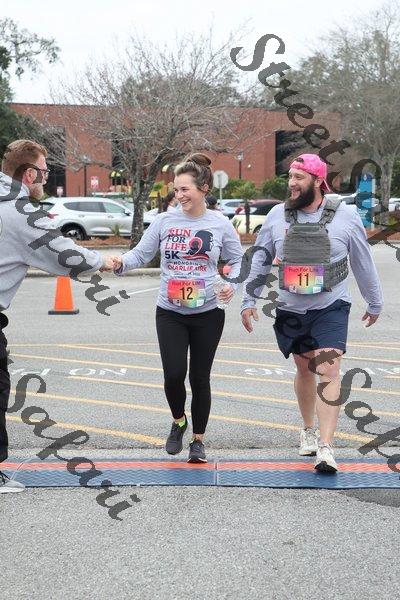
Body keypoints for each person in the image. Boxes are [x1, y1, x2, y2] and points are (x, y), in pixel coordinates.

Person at [241, 153, 383, 473]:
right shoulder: (277, 216)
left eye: (299, 178)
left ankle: (326, 447)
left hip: (331, 305)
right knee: (305, 369)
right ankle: (308, 429)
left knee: (329, 369)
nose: (291, 183)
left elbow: (362, 260)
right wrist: (248, 300)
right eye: (290, 177)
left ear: (318, 181)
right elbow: (260, 260)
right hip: (291, 307)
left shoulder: (345, 217)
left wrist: (374, 301)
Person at [110, 153, 243, 463]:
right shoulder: (164, 221)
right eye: (176, 189)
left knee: (200, 378)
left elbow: (238, 260)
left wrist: (231, 285)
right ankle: (179, 421)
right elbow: (140, 255)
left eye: (185, 189)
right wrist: (119, 263)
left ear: (203, 188)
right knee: (173, 375)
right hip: (170, 311)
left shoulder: (219, 223)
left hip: (208, 312)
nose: (179, 195)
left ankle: (198, 441)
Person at [0, 139, 112, 493]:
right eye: (44, 172)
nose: (46, 179)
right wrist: (104, 261)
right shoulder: (19, 211)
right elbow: (62, 253)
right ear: (29, 174)